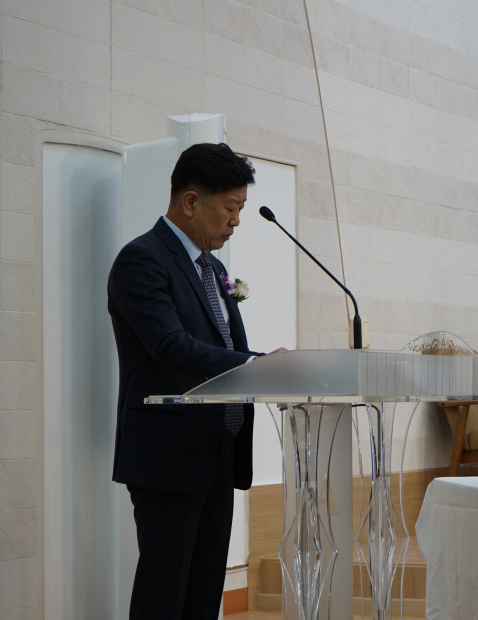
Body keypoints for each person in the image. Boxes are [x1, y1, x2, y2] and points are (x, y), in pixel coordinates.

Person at [107, 142, 282, 619]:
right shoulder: (142, 260)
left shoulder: (213, 267)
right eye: (231, 207)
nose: (237, 220)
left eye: (241, 208)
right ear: (190, 202)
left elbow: (221, 344)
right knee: (164, 596)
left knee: (204, 596)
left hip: (217, 449)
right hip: (169, 453)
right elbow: (171, 346)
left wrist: (257, 367)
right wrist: (257, 366)